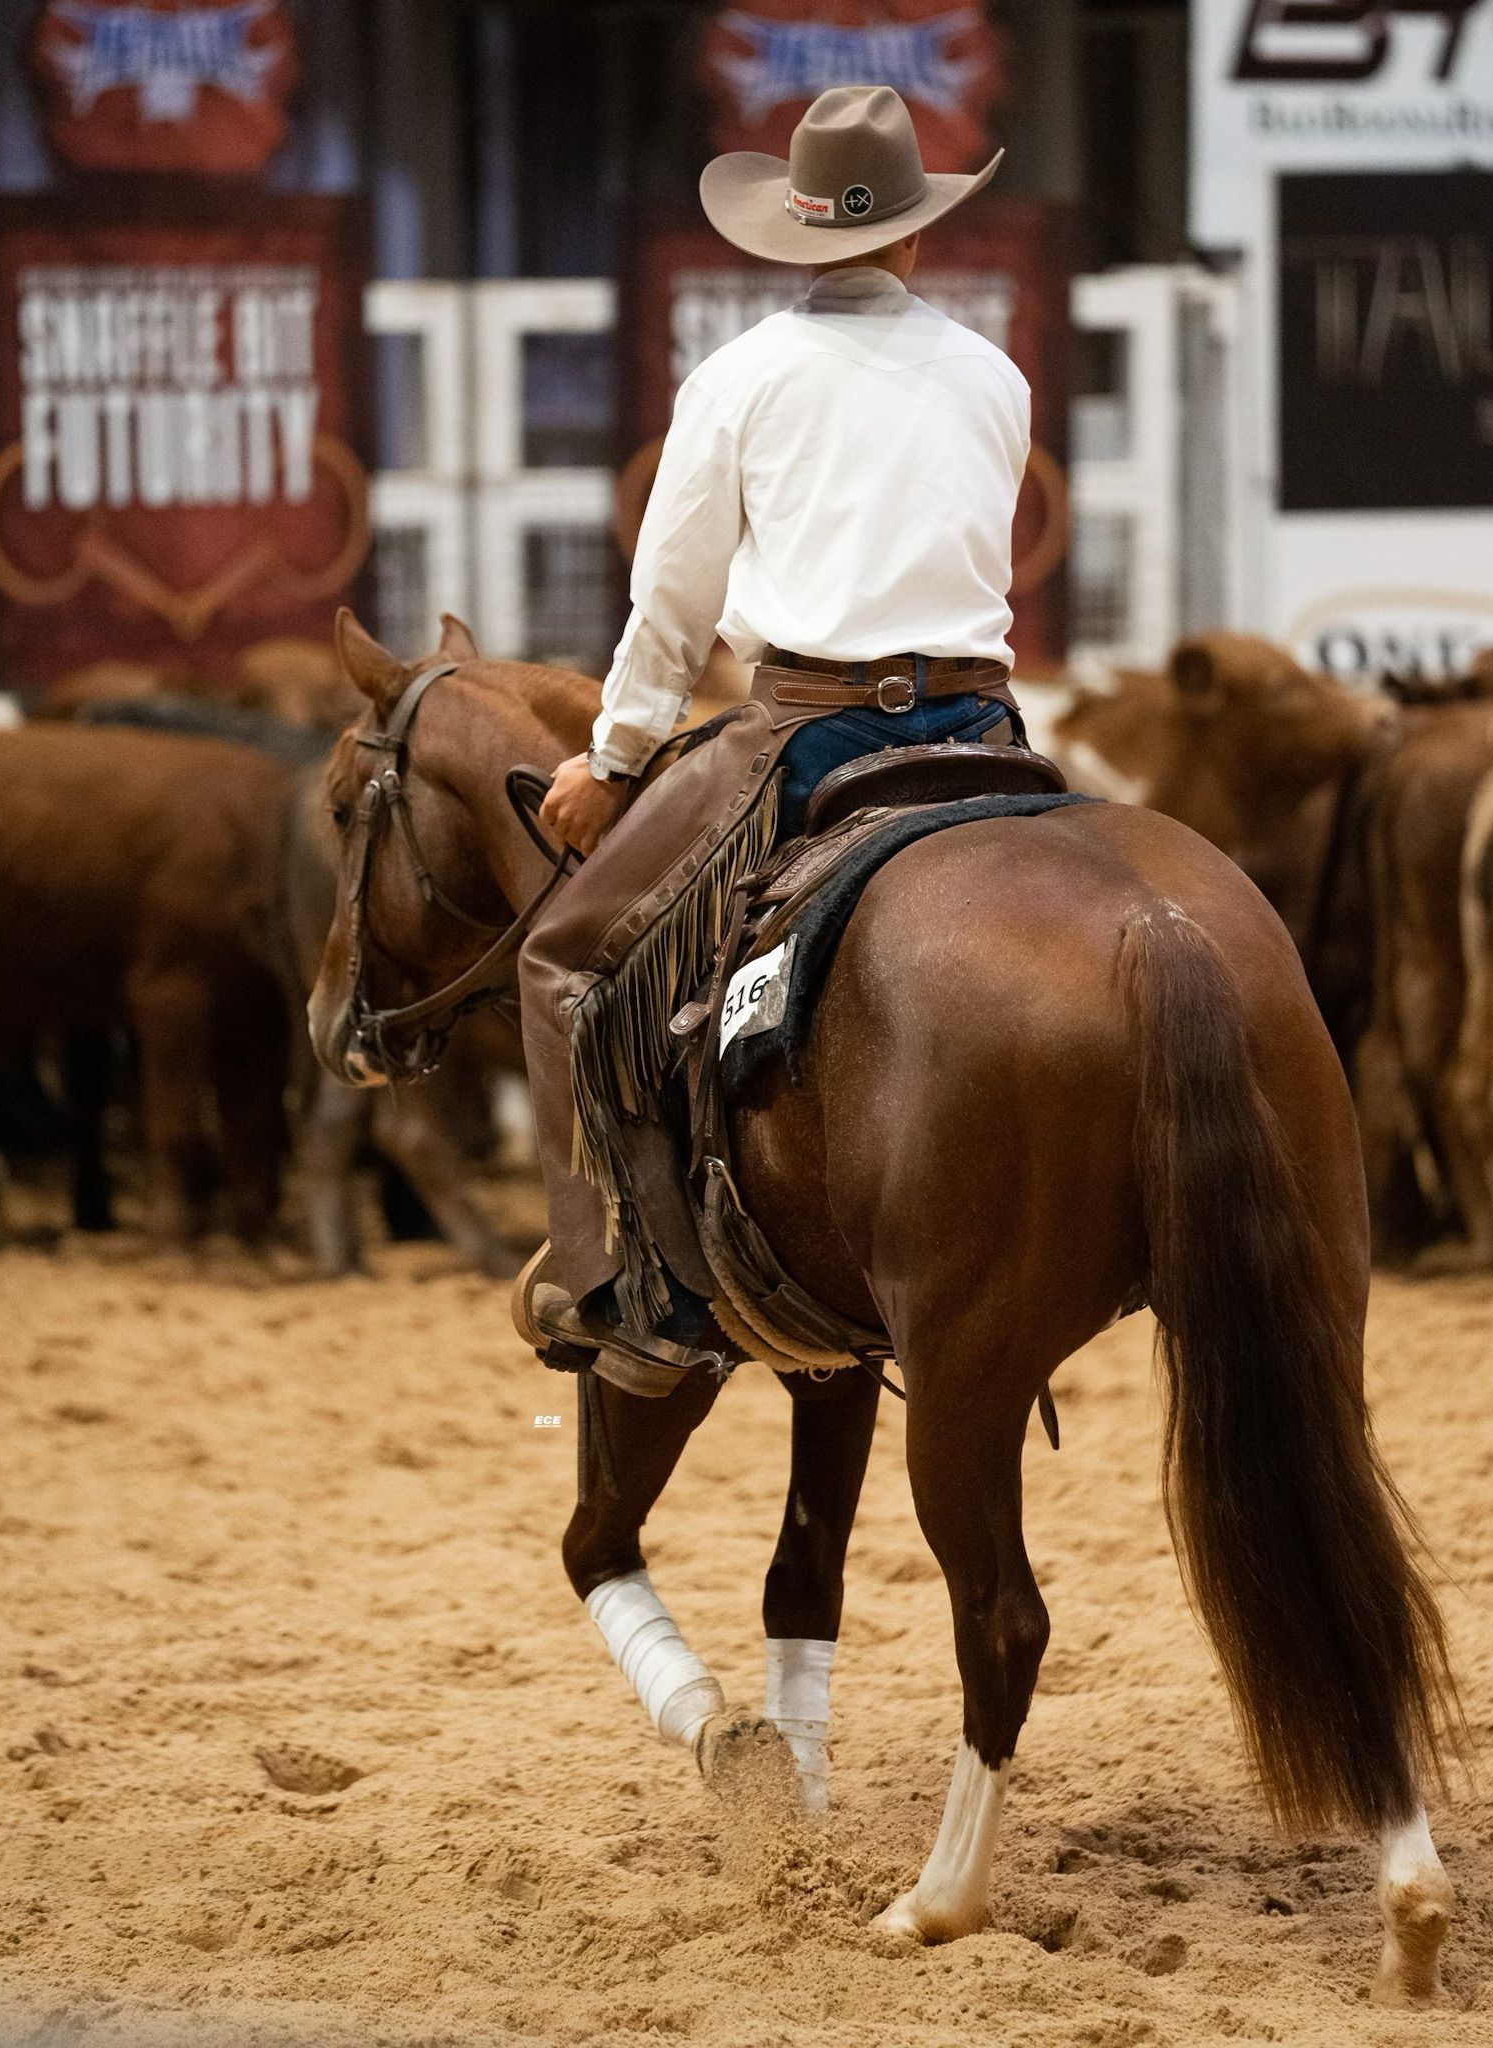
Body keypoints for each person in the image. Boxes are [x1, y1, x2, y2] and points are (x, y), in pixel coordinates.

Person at [514, 82, 1032, 1385]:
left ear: (791, 236)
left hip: (806, 735)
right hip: (985, 725)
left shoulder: (739, 379)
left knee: (565, 961)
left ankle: (614, 1280)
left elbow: (674, 605)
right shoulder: (995, 376)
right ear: (916, 234)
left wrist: (615, 759)